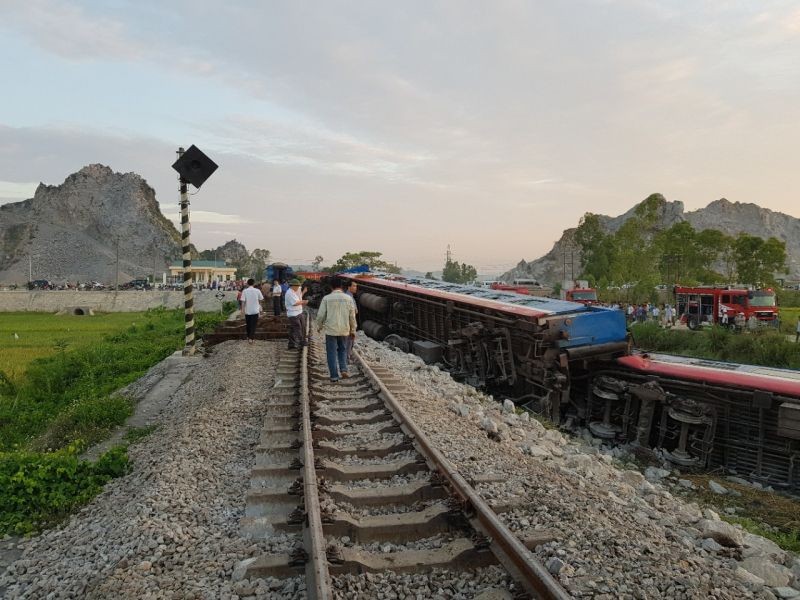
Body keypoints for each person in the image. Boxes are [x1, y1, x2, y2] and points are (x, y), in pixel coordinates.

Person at [316, 277, 357, 382]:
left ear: (331, 286)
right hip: (344, 330)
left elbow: (320, 315)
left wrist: (319, 326)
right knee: (343, 350)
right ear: (342, 286)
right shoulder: (348, 299)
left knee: (331, 352)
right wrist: (353, 330)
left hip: (331, 330)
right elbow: (352, 317)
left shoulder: (326, 298)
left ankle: (334, 376)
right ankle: (343, 369)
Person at [285, 279, 308, 349]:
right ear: (293, 286)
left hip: (298, 312)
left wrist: (303, 293)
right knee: (298, 328)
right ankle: (301, 342)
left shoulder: (294, 291)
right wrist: (304, 302)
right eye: (297, 286)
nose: (298, 287)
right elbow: (295, 303)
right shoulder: (290, 293)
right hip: (293, 314)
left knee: (296, 328)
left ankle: (291, 344)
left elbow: (299, 298)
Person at [241, 278, 264, 344]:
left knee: (248, 324)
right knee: (253, 325)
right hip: (255, 310)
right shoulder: (257, 290)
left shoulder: (245, 291)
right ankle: (251, 338)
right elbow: (261, 299)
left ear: (247, 284)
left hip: (247, 310)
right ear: (254, 284)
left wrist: (242, 310)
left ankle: (249, 337)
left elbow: (243, 302)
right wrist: (260, 307)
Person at [344, 280, 358, 361]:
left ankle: (346, 356)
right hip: (349, 323)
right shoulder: (349, 297)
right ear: (349, 287)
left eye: (356, 286)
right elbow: (353, 312)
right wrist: (353, 328)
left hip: (347, 322)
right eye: (354, 286)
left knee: (348, 341)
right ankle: (346, 358)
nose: (356, 288)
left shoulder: (349, 296)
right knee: (349, 341)